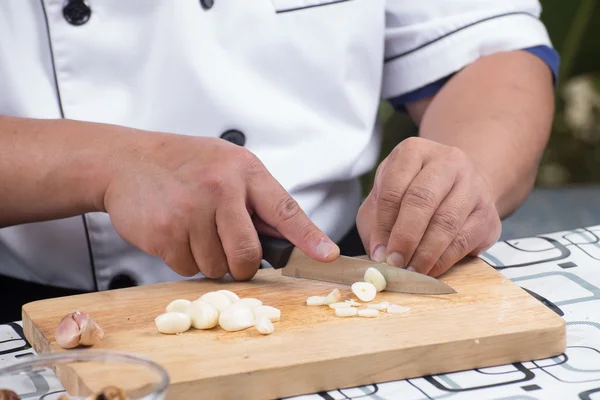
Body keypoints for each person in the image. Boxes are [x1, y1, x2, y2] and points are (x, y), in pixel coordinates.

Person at [0, 0, 558, 323]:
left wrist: (464, 177)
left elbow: (483, 48)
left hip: (320, 288)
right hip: (25, 306)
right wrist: (103, 163)